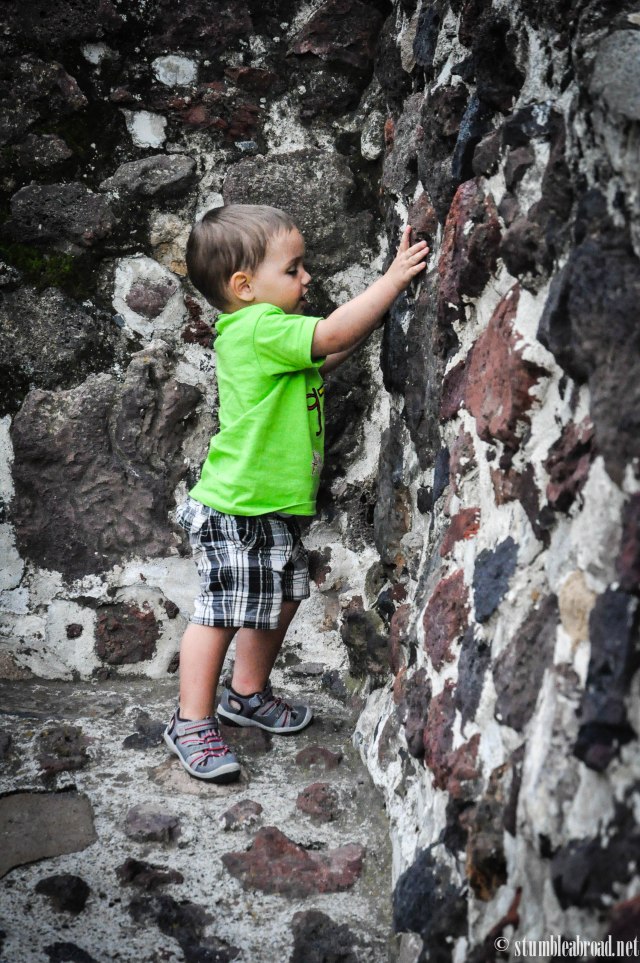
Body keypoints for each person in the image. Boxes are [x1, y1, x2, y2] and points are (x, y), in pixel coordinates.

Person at [163, 203, 429, 781]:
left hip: (271, 508)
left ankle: (246, 693)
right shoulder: (258, 328)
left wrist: (373, 318)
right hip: (236, 508)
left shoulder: (267, 334)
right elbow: (331, 332)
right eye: (293, 269)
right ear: (244, 286)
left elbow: (329, 351)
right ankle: (191, 721)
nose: (306, 278)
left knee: (279, 600)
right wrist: (392, 281)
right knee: (222, 613)